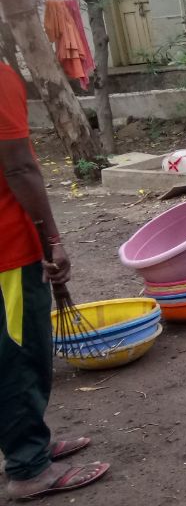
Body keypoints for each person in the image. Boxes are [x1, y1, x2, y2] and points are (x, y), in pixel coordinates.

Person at [0, 63, 110, 499]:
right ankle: (29, 468)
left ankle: (29, 444)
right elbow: (20, 168)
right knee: (20, 355)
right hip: (7, 249)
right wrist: (52, 240)